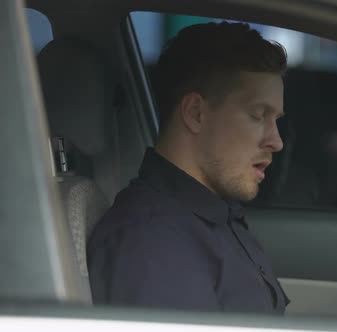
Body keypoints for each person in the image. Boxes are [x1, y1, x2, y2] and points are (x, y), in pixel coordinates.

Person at [87, 22, 289, 314]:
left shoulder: (213, 213)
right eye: (258, 116)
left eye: (276, 121)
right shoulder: (151, 245)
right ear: (196, 114)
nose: (277, 141)